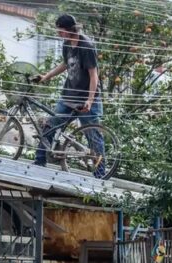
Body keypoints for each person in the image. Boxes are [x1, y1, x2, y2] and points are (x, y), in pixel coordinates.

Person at [33, 14, 105, 176]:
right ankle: (39, 161)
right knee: (51, 125)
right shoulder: (67, 43)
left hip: (87, 100)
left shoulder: (86, 46)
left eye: (60, 30)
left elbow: (94, 75)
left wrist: (90, 100)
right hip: (69, 96)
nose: (58, 34)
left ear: (69, 30)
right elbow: (66, 64)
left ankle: (100, 174)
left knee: (93, 135)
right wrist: (46, 77)